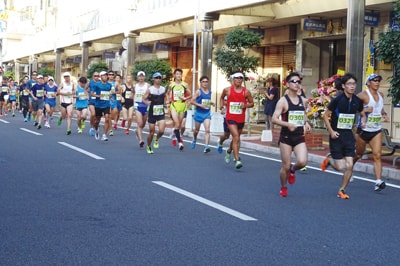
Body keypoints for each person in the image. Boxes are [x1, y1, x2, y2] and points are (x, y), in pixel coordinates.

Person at [320, 73, 365, 199]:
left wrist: (363, 121)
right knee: (340, 167)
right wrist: (331, 132)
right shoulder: (337, 100)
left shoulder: (357, 100)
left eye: (354, 84)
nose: (352, 86)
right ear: (344, 86)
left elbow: (362, 113)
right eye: (349, 84)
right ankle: (329, 161)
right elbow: (325, 115)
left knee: (350, 165)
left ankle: (342, 189)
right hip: (337, 136)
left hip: (349, 136)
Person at [272, 72, 311, 197]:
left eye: (298, 82)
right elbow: (274, 119)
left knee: (303, 161)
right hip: (286, 137)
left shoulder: (303, 100)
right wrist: (288, 124)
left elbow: (304, 114)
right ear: (288, 84)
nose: (297, 84)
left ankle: (294, 170)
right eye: (294, 81)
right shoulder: (283, 101)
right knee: (286, 166)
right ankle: (283, 187)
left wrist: (307, 122)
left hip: (299, 136)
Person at [352, 74, 388, 191]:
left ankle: (378, 181)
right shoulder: (362, 95)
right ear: (368, 83)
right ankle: (349, 168)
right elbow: (353, 107)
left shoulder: (381, 95)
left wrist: (384, 114)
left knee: (377, 155)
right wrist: (365, 110)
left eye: (378, 81)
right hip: (363, 130)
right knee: (358, 154)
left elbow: (380, 107)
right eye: (374, 81)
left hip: (376, 130)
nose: (377, 83)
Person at [219, 71, 254, 169]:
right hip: (230, 118)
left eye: (241, 78)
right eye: (237, 78)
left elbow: (252, 103)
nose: (239, 80)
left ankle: (229, 151)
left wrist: (245, 105)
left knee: (236, 138)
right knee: (236, 137)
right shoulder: (227, 90)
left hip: (240, 118)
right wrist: (222, 108)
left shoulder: (246, 92)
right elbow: (221, 98)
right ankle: (237, 160)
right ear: (233, 79)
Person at [142, 72, 167, 154]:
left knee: (162, 130)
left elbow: (165, 97)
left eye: (160, 78)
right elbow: (143, 99)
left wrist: (166, 103)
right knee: (151, 132)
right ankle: (149, 146)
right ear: (153, 79)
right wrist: (146, 102)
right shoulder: (150, 89)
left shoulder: (163, 89)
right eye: (157, 78)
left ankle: (157, 139)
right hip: (152, 113)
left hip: (160, 112)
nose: (158, 79)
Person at [167, 68, 191, 151]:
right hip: (174, 105)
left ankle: (174, 133)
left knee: (179, 125)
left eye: (180, 74)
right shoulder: (172, 85)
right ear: (174, 75)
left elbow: (191, 95)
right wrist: (168, 101)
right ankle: (180, 142)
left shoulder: (185, 85)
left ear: (181, 75)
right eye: (177, 74)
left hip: (182, 105)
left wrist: (185, 98)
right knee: (177, 123)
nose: (178, 76)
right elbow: (168, 94)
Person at [190, 75, 215, 153]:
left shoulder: (209, 91)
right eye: (203, 82)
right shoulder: (198, 91)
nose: (205, 83)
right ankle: (194, 139)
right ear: (200, 83)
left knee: (207, 130)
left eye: (206, 81)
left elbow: (207, 100)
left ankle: (206, 146)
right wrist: (200, 105)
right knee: (196, 130)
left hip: (206, 113)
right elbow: (192, 101)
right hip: (199, 113)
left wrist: (211, 103)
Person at [92, 71, 112, 141]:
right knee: (97, 121)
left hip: (106, 104)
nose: (105, 77)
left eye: (106, 75)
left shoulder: (109, 85)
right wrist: (98, 96)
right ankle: (96, 130)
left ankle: (104, 135)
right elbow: (92, 94)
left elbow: (109, 93)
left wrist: (110, 97)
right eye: (104, 75)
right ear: (101, 77)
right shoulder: (97, 84)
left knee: (107, 118)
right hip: (98, 104)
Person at [133, 71, 150, 146]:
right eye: (139, 76)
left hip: (145, 105)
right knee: (139, 123)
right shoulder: (135, 86)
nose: (141, 78)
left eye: (142, 76)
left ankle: (137, 131)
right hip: (138, 105)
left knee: (142, 124)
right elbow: (132, 94)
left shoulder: (148, 85)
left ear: (145, 77)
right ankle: (141, 140)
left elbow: (150, 94)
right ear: (137, 77)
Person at [88, 72, 100, 136]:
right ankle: (91, 127)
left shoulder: (100, 83)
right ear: (93, 76)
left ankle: (96, 127)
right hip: (91, 101)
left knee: (97, 117)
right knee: (93, 114)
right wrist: (87, 95)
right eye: (95, 76)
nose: (96, 77)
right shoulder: (90, 82)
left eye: (98, 76)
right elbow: (86, 89)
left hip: (98, 101)